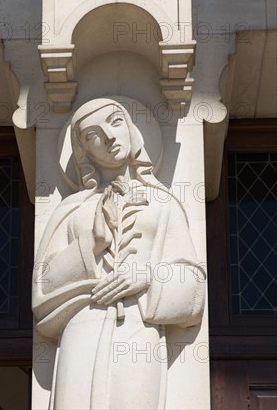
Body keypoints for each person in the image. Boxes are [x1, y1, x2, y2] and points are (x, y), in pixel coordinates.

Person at [33, 98, 205, 410]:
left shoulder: (162, 203)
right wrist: (92, 245)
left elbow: (193, 287)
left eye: (115, 122)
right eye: (93, 135)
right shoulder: (72, 209)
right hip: (81, 330)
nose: (110, 137)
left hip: (139, 332)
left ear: (131, 127)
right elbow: (43, 288)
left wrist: (149, 278)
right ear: (84, 151)